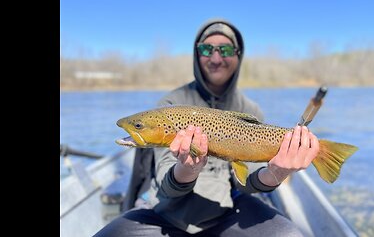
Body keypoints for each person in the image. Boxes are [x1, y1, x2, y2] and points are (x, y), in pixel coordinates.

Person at [94, 19, 320, 236]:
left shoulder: (250, 109)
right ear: (196, 54)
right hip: (165, 213)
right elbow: (166, 181)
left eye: (225, 50)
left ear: (238, 56)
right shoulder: (171, 103)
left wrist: (274, 173)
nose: (215, 57)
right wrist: (187, 169)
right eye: (206, 49)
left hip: (225, 212)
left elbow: (248, 181)